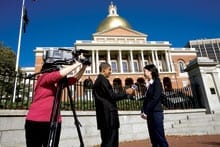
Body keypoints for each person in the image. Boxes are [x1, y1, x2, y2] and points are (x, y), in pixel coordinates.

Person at [25, 60, 87, 147]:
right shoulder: (43, 77)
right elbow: (57, 75)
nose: (58, 70)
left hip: (54, 122)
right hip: (36, 122)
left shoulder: (58, 83)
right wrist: (76, 65)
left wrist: (84, 67)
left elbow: (74, 79)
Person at [92, 62, 135, 147]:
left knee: (106, 140)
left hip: (102, 116)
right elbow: (112, 96)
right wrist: (126, 92)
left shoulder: (97, 81)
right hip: (109, 117)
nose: (110, 72)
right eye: (109, 69)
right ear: (103, 70)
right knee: (111, 142)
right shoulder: (103, 80)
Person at [141, 64, 169, 147]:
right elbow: (146, 99)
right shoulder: (149, 84)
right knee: (153, 138)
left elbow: (155, 98)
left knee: (160, 137)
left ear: (150, 72)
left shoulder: (157, 82)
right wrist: (142, 110)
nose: (144, 73)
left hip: (156, 113)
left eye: (145, 71)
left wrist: (146, 111)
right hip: (150, 114)